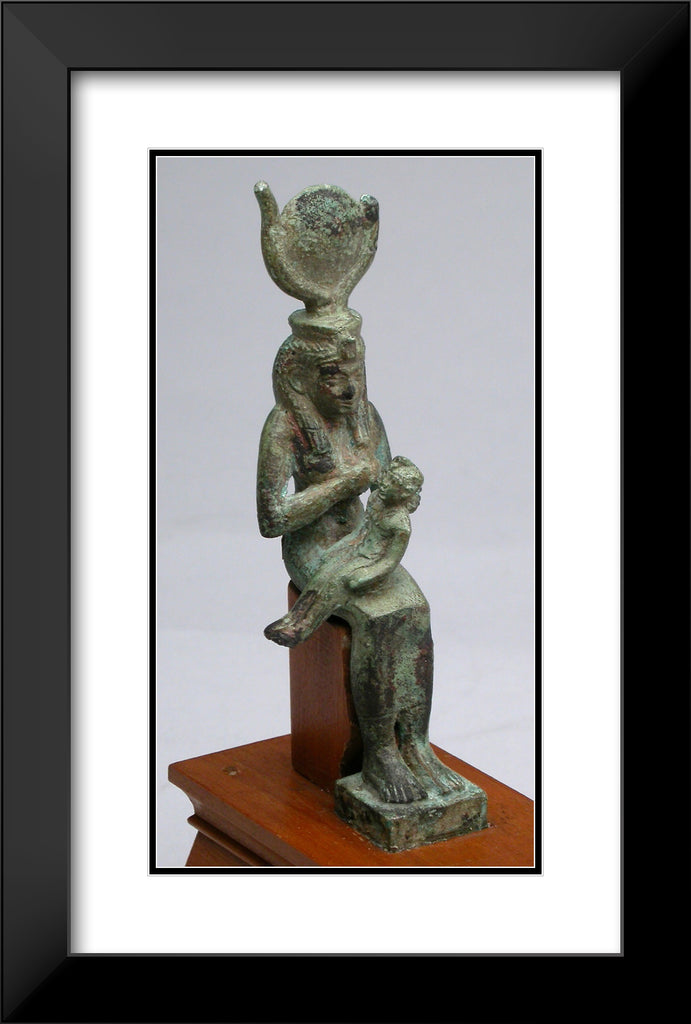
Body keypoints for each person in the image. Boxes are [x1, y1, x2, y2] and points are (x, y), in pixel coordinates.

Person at [257, 312, 464, 804]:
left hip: (365, 537)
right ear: (301, 379)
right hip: (314, 547)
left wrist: (397, 505)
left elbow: (385, 485)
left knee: (415, 609)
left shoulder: (366, 417)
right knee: (376, 616)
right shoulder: (286, 426)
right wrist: (342, 483)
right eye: (332, 375)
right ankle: (380, 752)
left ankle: (414, 743)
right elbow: (273, 517)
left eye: (355, 373)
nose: (348, 388)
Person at [264, 456, 424, 648]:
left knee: (334, 585)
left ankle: (301, 628)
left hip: (369, 560)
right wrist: (343, 547)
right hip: (355, 548)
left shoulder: (400, 525)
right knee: (322, 576)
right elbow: (363, 530)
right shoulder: (376, 499)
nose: (384, 483)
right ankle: (292, 619)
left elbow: (390, 561)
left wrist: (367, 576)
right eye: (387, 477)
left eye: (392, 483)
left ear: (403, 494)